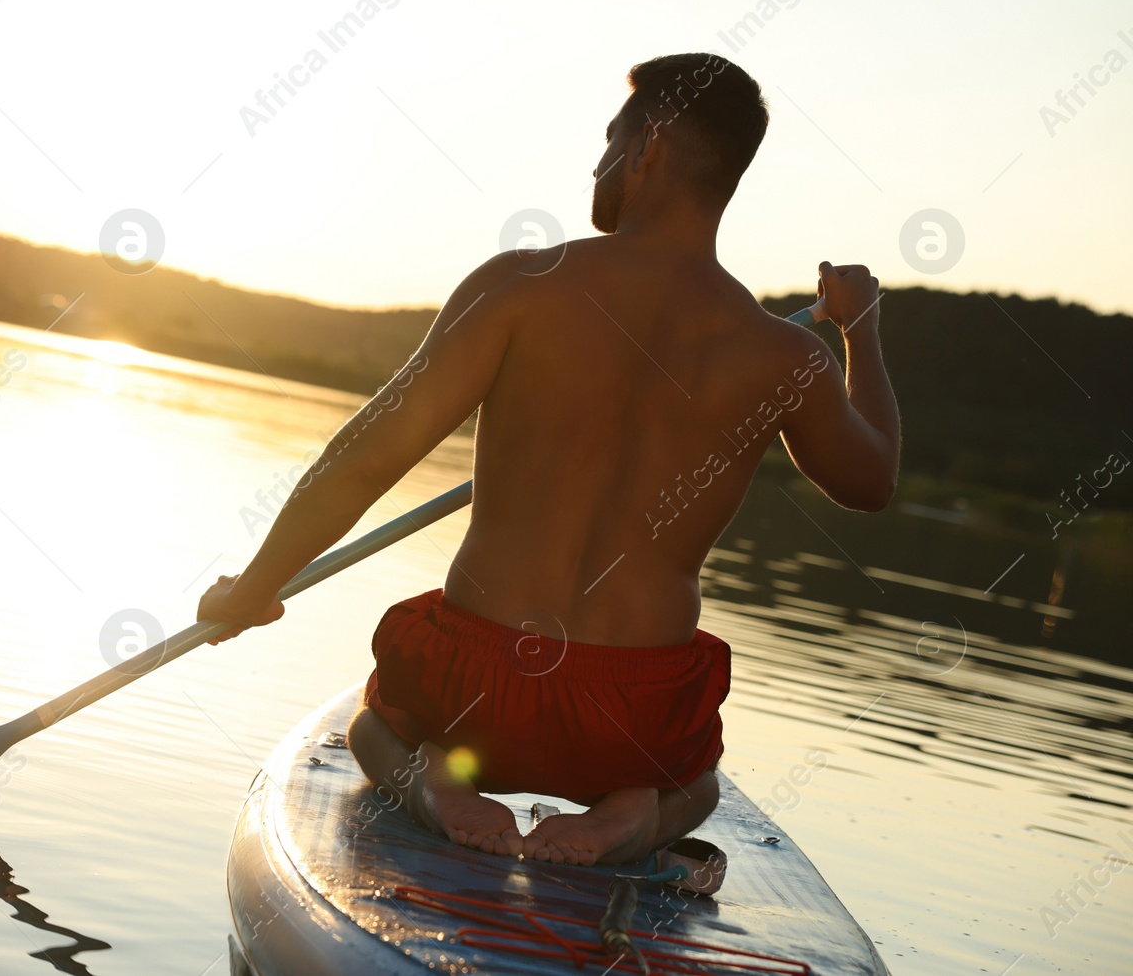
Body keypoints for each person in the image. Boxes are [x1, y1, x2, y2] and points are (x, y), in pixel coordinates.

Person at [197, 53, 899, 867]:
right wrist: (863, 329)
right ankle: (633, 814)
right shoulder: (785, 356)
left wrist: (256, 587)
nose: (598, 163)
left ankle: (431, 782)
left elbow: (365, 458)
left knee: (372, 719)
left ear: (650, 151)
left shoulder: (524, 286)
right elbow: (873, 480)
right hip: (633, 713)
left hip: (475, 690)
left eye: (611, 142)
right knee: (698, 781)